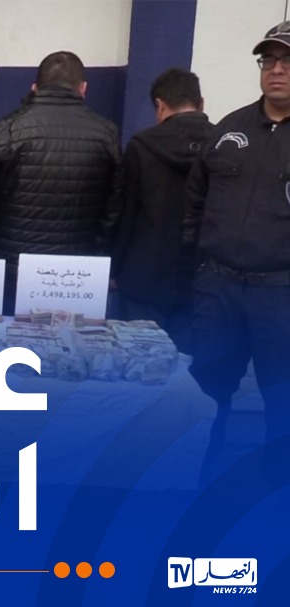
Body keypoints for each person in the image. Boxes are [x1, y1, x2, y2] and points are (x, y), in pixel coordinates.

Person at [185, 21, 290, 479]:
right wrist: (201, 269)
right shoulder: (230, 128)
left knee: (283, 401)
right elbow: (194, 202)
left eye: (288, 61)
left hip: (281, 296)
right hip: (219, 290)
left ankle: (275, 496)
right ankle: (192, 481)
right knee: (204, 395)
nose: (277, 70)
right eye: (269, 60)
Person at [0, 51, 122, 315]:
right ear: (83, 88)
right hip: (77, 275)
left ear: (35, 88)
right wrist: (100, 258)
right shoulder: (106, 133)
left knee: (13, 338)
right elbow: (114, 209)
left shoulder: (5, 130)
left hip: (13, 270)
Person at [112, 68, 212, 353]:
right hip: (199, 277)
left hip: (143, 276)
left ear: (160, 105)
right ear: (201, 103)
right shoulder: (222, 143)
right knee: (188, 367)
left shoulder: (141, 146)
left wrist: (115, 267)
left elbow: (125, 214)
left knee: (137, 362)